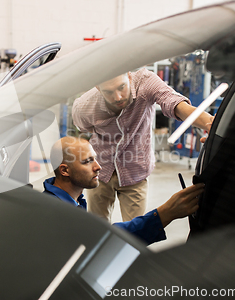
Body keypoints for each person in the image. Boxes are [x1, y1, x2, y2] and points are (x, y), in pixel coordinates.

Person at [72, 68, 213, 222]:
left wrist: (209, 123)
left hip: (135, 172)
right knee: (97, 227)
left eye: (121, 87)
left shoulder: (145, 82)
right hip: (100, 170)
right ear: (98, 88)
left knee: (136, 230)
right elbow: (84, 129)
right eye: (109, 92)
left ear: (129, 76)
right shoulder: (84, 107)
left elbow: (175, 104)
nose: (118, 97)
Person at [43, 136, 205, 245]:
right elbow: (103, 238)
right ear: (65, 170)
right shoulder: (56, 213)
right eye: (87, 161)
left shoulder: (72, 201)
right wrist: (165, 213)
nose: (98, 167)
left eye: (95, 159)